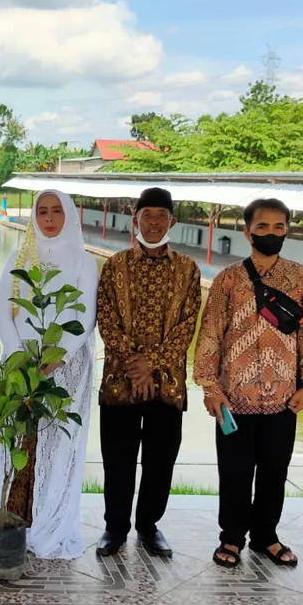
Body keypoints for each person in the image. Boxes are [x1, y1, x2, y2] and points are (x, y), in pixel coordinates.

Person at [0, 189, 98, 558]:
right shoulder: (19, 256)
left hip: (66, 369)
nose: (49, 219)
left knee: (56, 441)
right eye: (42, 211)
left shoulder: (84, 262)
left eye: (56, 212)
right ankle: (10, 513)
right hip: (19, 366)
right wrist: (19, 356)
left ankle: (50, 518)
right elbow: (3, 311)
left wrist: (58, 357)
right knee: (14, 443)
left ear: (69, 215)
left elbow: (84, 318)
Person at [194, 197, 303, 569]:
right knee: (234, 472)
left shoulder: (301, 279)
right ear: (247, 231)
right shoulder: (228, 280)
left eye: (278, 227)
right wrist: (210, 388)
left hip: (285, 398)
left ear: (287, 230)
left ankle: (267, 536)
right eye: (262, 227)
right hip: (234, 399)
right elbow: (210, 335)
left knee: (274, 472)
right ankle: (231, 538)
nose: (270, 233)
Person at [95, 187, 201, 557]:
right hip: (119, 382)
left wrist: (150, 366)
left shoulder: (188, 269)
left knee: (160, 459)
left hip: (167, 385)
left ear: (172, 221)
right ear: (134, 219)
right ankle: (115, 527)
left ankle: (149, 525)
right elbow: (106, 320)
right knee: (118, 457)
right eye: (146, 215)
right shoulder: (114, 265)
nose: (153, 223)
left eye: (161, 216)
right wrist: (134, 365)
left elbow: (187, 327)